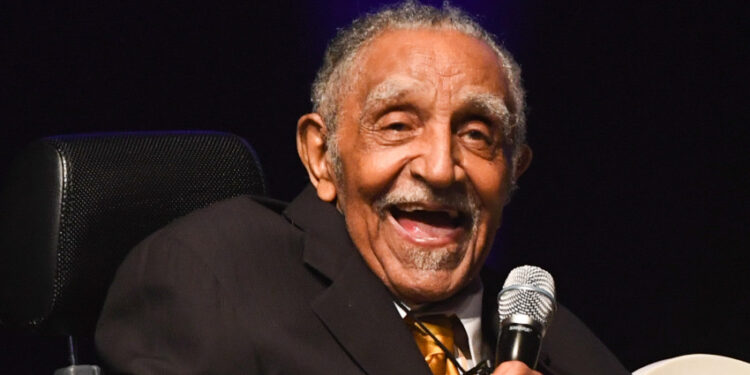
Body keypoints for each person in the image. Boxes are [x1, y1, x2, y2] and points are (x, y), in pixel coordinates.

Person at [95, 2, 629, 374]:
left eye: (476, 134)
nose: (441, 168)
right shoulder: (210, 276)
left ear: (513, 172)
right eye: (397, 125)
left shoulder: (556, 342)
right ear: (322, 157)